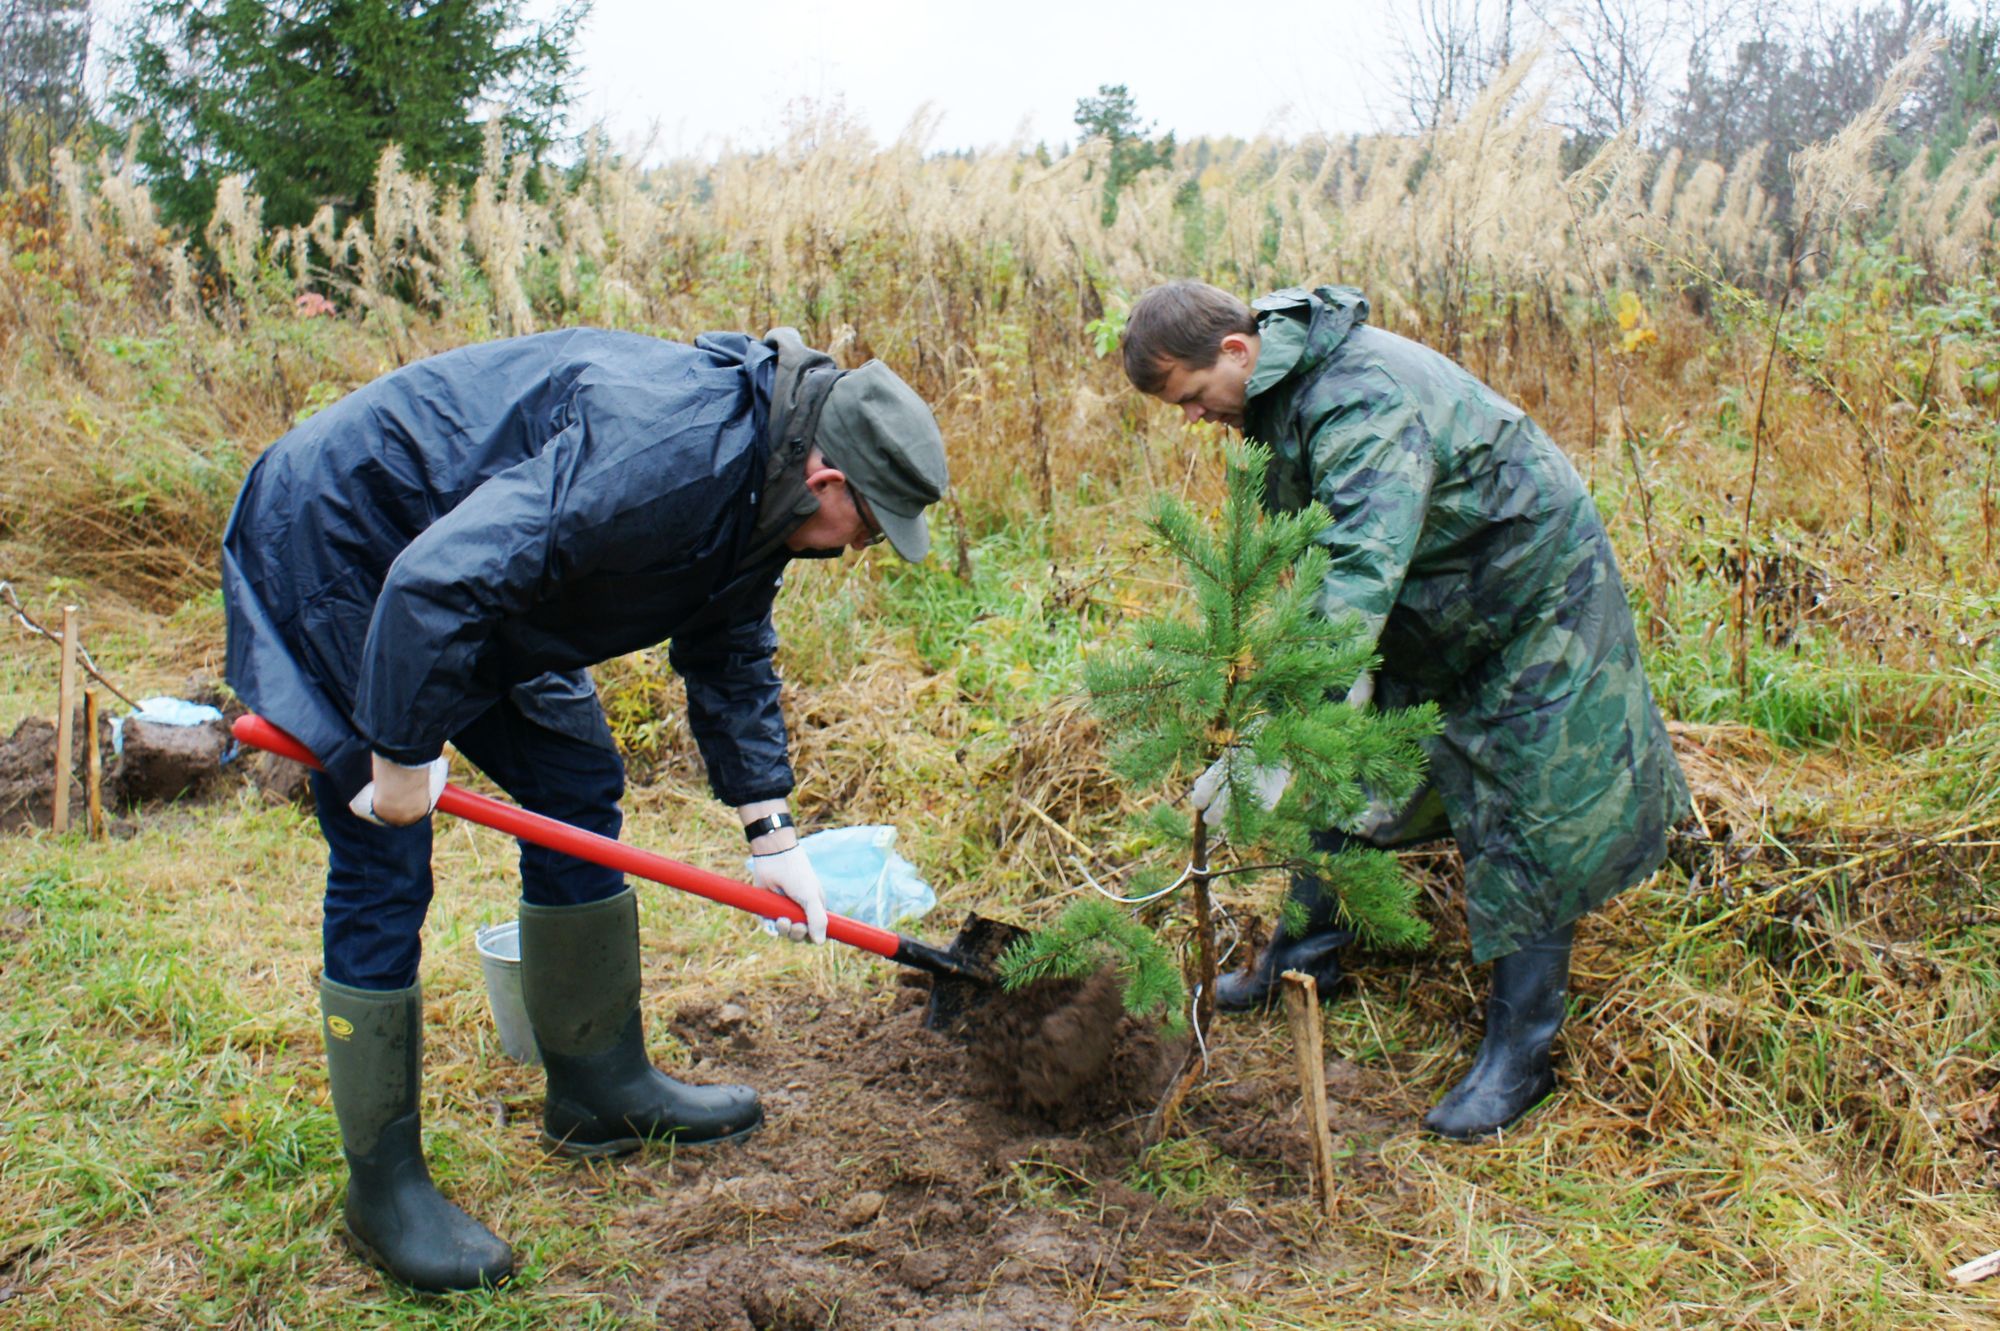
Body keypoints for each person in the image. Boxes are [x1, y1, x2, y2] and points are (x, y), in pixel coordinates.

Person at [222, 325, 948, 1291]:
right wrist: (398, 755)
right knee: (382, 847)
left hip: (479, 574)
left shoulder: (764, 479)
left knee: (574, 776)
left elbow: (727, 633)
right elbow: (435, 582)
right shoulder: (666, 459)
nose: (859, 549)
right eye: (867, 523)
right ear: (827, 479)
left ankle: (598, 1080)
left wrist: (768, 825)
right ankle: (383, 1184)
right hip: (354, 544)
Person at [1120, 280, 1689, 1141]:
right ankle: (1306, 958)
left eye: (1195, 398)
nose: (1196, 419)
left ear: (1237, 352)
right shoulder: (1283, 390)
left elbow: (1355, 572)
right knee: (1350, 762)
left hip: (1530, 596)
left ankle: (1518, 1057)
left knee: (1531, 809)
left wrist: (1280, 732)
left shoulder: (1359, 400)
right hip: (1436, 597)